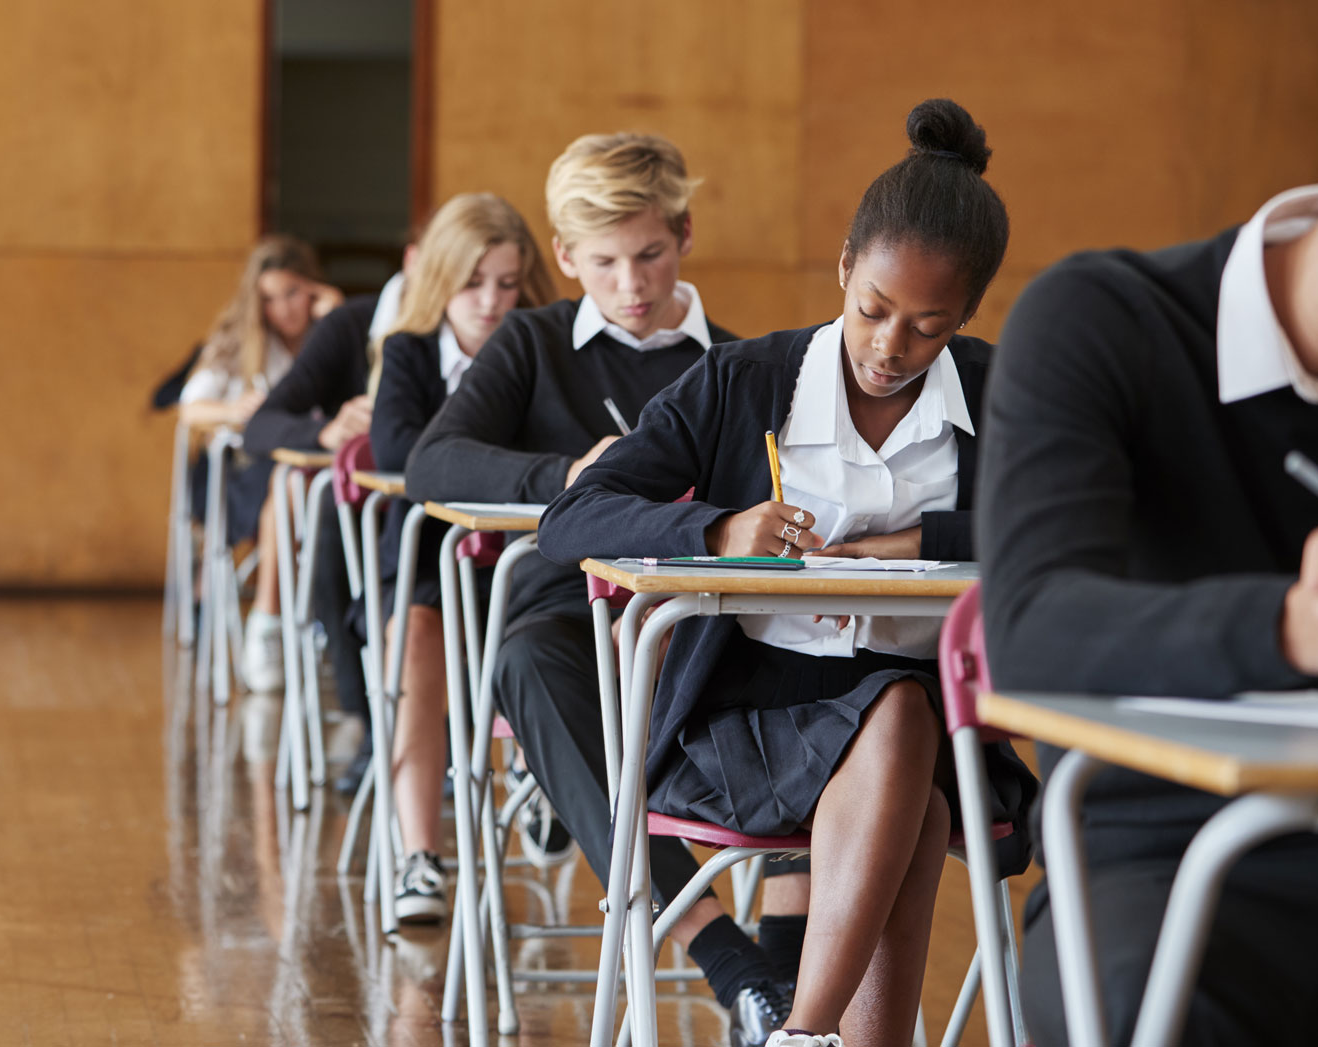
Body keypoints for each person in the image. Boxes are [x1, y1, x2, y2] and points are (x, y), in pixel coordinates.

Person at [537, 100, 1036, 1047]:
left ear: (967, 315)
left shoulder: (998, 390)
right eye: (873, 309)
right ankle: (811, 1033)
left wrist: (909, 544)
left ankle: (804, 1037)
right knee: (904, 741)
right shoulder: (741, 380)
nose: (892, 348)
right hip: (746, 722)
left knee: (907, 739)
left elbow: (1075, 525)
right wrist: (719, 529)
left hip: (938, 730)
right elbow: (576, 516)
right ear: (845, 268)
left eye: (930, 327)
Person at [407, 132, 832, 1046]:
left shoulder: (736, 360)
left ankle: (790, 975)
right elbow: (431, 459)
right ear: (565, 257)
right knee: (525, 660)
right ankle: (736, 967)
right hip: (565, 616)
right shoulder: (532, 344)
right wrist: (570, 473)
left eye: (649, 255)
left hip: (704, 620)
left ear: (684, 233)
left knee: (824, 672)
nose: (631, 284)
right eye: (603, 263)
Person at [978, 167, 1318, 1045]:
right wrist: (1290, 624)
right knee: (1154, 1015)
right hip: (1165, 848)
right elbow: (1031, 629)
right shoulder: (1102, 319)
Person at [367, 192, 557, 921]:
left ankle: (544, 772)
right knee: (419, 634)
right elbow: (399, 454)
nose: (490, 302)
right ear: (441, 278)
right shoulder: (410, 352)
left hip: (523, 560)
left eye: (507, 284)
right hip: (427, 565)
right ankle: (420, 853)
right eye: (474, 283)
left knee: (551, 624)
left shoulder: (540, 346)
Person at [179, 235, 342, 692]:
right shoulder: (240, 341)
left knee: (305, 485)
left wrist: (336, 315)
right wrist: (236, 411)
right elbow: (192, 409)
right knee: (285, 481)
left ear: (313, 291)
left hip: (318, 470)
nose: (284, 309)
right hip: (250, 472)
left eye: (293, 294)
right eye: (270, 298)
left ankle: (302, 621)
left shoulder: (329, 338)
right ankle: (270, 619)